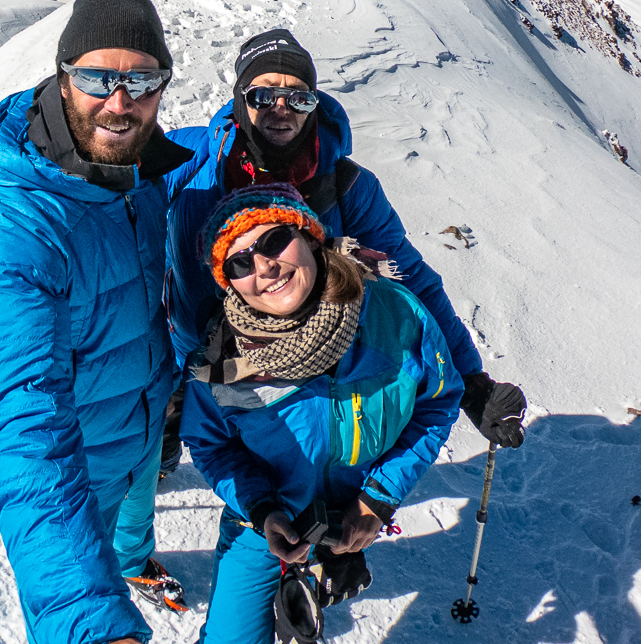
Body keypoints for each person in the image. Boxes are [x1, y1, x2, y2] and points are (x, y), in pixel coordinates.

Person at [0, 0, 193, 644]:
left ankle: (134, 562)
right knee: (93, 556)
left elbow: (207, 146)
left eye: (143, 80)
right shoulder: (9, 227)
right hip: (83, 465)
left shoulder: (139, 167)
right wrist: (89, 625)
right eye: (98, 78)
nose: (121, 102)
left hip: (141, 422)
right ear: (61, 77)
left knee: (131, 528)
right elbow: (27, 436)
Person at [164, 28, 525, 445]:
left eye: (298, 98)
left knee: (270, 473)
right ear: (240, 99)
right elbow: (107, 185)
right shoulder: (189, 159)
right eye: (263, 96)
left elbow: (411, 278)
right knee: (161, 437)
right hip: (183, 350)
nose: (280, 109)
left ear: (313, 106)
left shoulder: (348, 186)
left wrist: (471, 382)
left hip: (283, 373)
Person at [180, 185, 463, 643]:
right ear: (228, 282)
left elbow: (437, 401)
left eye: (274, 241)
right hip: (265, 526)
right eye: (239, 262)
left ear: (310, 235)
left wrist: (376, 499)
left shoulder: (396, 317)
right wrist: (262, 508)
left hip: (355, 516)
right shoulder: (223, 361)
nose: (264, 266)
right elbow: (212, 444)